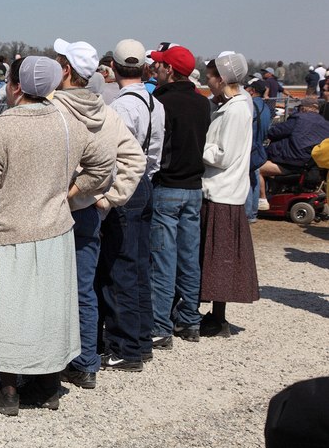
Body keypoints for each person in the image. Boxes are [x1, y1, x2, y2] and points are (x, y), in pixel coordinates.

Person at [0, 56, 110, 416]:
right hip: (54, 229)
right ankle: (48, 387)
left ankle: (9, 389)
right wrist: (71, 193)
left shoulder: (2, 127)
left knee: (8, 311)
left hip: (7, 231)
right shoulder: (66, 122)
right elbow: (104, 163)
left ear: (14, 86)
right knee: (50, 309)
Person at [50, 40, 143, 390]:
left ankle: (51, 360)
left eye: (58, 61)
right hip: (87, 210)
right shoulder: (105, 110)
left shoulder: (52, 108)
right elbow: (135, 159)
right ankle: (86, 362)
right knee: (84, 290)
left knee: (48, 289)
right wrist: (106, 198)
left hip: (53, 210)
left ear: (66, 70)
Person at [96, 38, 165, 372]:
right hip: (147, 182)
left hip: (126, 185)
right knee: (139, 266)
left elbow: (116, 155)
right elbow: (152, 154)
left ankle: (125, 346)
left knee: (120, 267)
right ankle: (141, 338)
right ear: (144, 68)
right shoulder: (154, 102)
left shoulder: (121, 107)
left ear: (114, 68)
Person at [147, 44, 212, 349]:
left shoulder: (160, 101)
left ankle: (160, 324)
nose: (155, 69)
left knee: (163, 257)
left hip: (168, 186)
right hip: (194, 188)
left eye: (160, 66)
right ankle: (189, 318)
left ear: (169, 70)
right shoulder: (203, 104)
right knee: (189, 256)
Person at [199, 52, 259, 337]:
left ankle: (219, 318)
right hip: (223, 189)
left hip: (223, 191)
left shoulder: (236, 110)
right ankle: (216, 315)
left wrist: (198, 146)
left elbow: (223, 155)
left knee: (219, 259)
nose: (206, 81)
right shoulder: (233, 106)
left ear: (221, 79)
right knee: (218, 258)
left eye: (209, 77)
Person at [258, 97, 329, 204]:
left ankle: (262, 199)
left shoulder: (298, 118)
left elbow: (274, 132)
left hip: (292, 162)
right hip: (311, 164)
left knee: (256, 168)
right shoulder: (325, 124)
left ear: (304, 108)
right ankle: (273, 194)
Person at [244, 79, 272, 222]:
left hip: (249, 147)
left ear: (252, 90)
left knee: (247, 181)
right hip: (259, 147)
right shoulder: (266, 108)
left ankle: (247, 214)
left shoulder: (251, 106)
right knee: (254, 178)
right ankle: (253, 212)